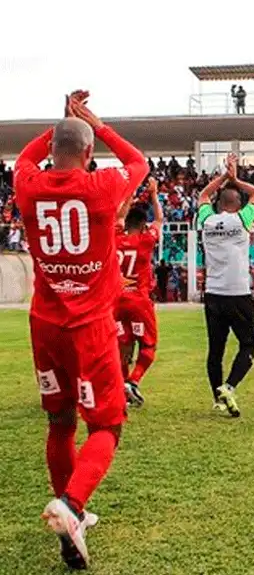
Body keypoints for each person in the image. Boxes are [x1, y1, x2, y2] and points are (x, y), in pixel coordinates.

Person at [16, 91, 149, 569]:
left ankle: (71, 508)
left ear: (53, 146)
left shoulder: (27, 184)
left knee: (59, 422)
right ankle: (71, 506)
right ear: (89, 153)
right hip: (89, 327)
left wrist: (59, 124)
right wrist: (96, 123)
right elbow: (138, 161)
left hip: (45, 325)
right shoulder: (102, 186)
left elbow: (30, 158)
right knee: (107, 426)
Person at [196, 153, 254, 418]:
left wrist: (224, 177)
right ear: (238, 204)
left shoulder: (207, 220)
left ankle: (217, 398)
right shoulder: (242, 220)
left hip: (213, 293)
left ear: (219, 203)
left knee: (216, 349)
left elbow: (202, 195)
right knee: (250, 342)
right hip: (238, 293)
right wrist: (237, 178)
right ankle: (229, 386)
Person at [115, 176, 165, 407]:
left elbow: (118, 217)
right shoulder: (146, 240)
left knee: (122, 345)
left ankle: (122, 385)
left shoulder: (114, 238)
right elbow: (160, 219)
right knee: (148, 345)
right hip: (139, 300)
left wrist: (128, 196)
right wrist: (153, 194)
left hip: (115, 302)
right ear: (143, 226)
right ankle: (133, 382)